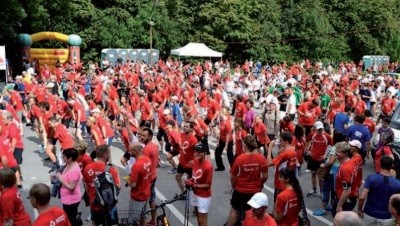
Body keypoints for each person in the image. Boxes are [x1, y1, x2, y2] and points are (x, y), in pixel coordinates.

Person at [225, 135, 268, 226]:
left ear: (245, 145)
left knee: (234, 211)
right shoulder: (261, 158)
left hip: (240, 190)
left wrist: (233, 186)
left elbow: (232, 176)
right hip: (255, 191)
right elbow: (265, 176)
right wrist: (259, 183)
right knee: (252, 214)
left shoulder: (240, 159)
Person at [83, 144, 121, 226]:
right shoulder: (111, 170)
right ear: (105, 154)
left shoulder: (87, 167)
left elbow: (86, 186)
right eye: (109, 153)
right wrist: (117, 173)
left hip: (95, 203)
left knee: (95, 222)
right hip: (109, 205)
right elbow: (118, 187)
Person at [357, 156, 400, 225]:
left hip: (369, 213)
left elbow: (362, 197)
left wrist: (359, 209)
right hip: (386, 217)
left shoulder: (371, 178)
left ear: (379, 165)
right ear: (392, 165)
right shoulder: (397, 184)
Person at [184, 143, 213, 226]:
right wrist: (190, 180)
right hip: (195, 193)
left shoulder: (208, 166)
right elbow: (195, 176)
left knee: (202, 221)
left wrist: (194, 185)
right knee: (198, 218)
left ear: (205, 153)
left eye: (200, 152)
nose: (198, 153)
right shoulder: (195, 161)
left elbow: (208, 185)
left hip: (203, 196)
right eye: (196, 151)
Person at [51, 148, 82, 225]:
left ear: (70, 158)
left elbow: (71, 187)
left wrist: (60, 178)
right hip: (67, 198)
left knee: (70, 219)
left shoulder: (74, 171)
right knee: (69, 216)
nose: (62, 158)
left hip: (71, 200)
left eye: (64, 157)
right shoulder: (69, 164)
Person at [126, 142, 152, 225]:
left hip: (138, 196)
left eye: (130, 151)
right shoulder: (148, 159)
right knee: (143, 217)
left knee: (133, 220)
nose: (128, 152)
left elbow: (133, 184)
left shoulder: (136, 165)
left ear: (135, 151)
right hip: (146, 193)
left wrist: (128, 182)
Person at [267, 132, 297, 202]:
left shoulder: (285, 153)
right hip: (289, 183)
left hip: (281, 184)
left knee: (277, 207)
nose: (279, 142)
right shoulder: (293, 150)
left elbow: (269, 163)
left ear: (286, 141)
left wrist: (270, 148)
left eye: (280, 140)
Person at [306, 121, 333, 197]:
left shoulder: (327, 136)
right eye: (318, 129)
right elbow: (307, 141)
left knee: (320, 177)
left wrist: (326, 155)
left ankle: (321, 192)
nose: (320, 130)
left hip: (321, 160)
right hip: (313, 158)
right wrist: (307, 150)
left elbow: (333, 146)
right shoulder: (312, 134)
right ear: (315, 128)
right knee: (313, 174)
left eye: (321, 129)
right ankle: (314, 190)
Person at [139, 127, 159, 225]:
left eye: (144, 136)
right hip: (153, 175)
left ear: (150, 137)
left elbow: (144, 166)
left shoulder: (146, 148)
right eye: (141, 135)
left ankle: (145, 222)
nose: (141, 137)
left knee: (144, 200)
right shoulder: (154, 145)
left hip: (149, 178)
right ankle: (153, 221)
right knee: (152, 200)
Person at [332, 142, 357, 217]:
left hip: (345, 201)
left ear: (345, 153)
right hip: (348, 199)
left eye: (338, 152)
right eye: (336, 150)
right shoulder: (350, 161)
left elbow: (347, 191)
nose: (335, 153)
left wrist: (339, 206)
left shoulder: (345, 169)